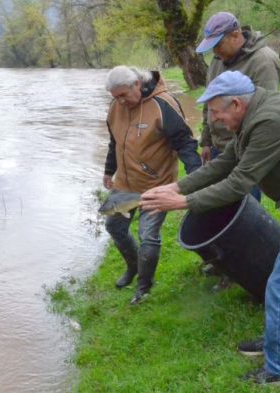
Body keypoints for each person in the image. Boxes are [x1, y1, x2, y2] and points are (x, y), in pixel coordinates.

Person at [140, 71, 280, 388]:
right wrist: (176, 187)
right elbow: (224, 164)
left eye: (217, 113)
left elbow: (238, 183)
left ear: (235, 103)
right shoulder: (253, 114)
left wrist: (184, 202)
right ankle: (277, 341)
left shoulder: (270, 121)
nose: (215, 120)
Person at [102, 66, 201, 305]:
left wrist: (197, 177)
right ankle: (134, 267)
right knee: (114, 226)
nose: (120, 102)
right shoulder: (116, 106)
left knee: (148, 235)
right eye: (115, 98)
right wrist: (109, 170)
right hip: (125, 184)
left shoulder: (163, 104)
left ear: (137, 84)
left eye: (123, 95)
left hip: (157, 185)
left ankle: (144, 287)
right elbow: (114, 141)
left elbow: (186, 144)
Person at [196, 11, 280, 201]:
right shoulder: (217, 61)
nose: (215, 52)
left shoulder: (263, 61)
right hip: (219, 149)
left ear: (235, 35)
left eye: (218, 45)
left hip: (244, 151)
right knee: (218, 205)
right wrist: (207, 140)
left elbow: (266, 113)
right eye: (212, 48)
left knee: (244, 208)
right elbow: (209, 103)